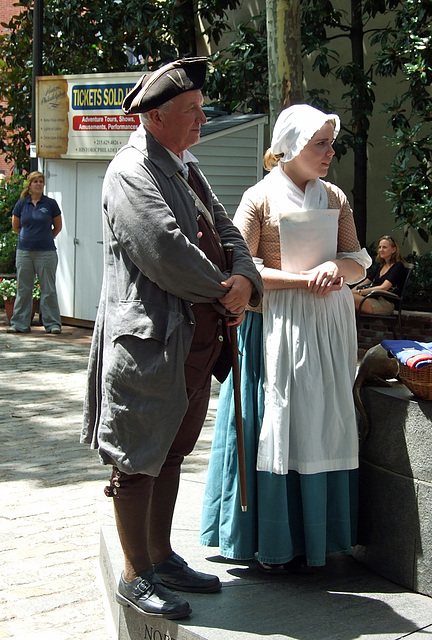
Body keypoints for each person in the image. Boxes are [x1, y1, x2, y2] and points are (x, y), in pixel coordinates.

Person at [80, 57, 262, 620]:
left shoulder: (184, 163)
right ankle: (137, 575)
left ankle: (160, 556)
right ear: (156, 115)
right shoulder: (131, 170)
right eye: (191, 111)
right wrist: (225, 291)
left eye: (201, 109)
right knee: (138, 459)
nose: (201, 120)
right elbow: (163, 249)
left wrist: (245, 279)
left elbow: (226, 229)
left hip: (191, 344)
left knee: (173, 451)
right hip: (151, 348)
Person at [200, 104, 371, 572]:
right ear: (292, 146)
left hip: (326, 329)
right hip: (275, 325)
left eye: (330, 144)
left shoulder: (334, 197)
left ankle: (323, 533)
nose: (329, 153)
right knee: (272, 424)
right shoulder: (259, 199)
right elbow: (240, 265)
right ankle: (267, 537)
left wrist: (337, 267)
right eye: (320, 144)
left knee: (320, 421)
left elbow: (358, 260)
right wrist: (301, 281)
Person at [7, 171, 62, 334]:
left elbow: (58, 227)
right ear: (29, 185)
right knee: (24, 288)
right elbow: (16, 226)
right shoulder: (21, 204)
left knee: (48, 289)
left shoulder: (50, 204)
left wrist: (44, 238)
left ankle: (52, 324)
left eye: (41, 181)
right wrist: (29, 238)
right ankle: (19, 324)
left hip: (46, 252)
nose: (38, 184)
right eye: (35, 181)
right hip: (24, 252)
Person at [352, 235, 408, 314]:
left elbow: (384, 287)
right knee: (346, 296)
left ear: (394, 250)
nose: (381, 250)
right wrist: (351, 291)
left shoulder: (398, 266)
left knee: (349, 298)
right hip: (372, 298)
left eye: (384, 247)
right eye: (380, 247)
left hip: (385, 303)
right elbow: (366, 281)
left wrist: (360, 292)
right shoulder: (381, 265)